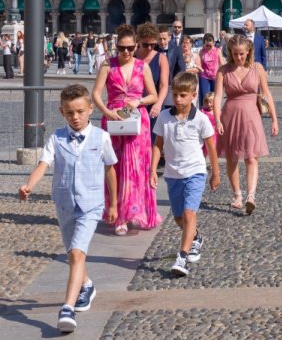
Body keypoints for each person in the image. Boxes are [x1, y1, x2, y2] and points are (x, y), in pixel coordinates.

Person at [19, 84, 118, 333]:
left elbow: (110, 169)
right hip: (64, 203)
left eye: (80, 112)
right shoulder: (56, 137)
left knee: (76, 253)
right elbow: (44, 164)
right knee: (73, 253)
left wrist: (114, 203)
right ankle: (87, 286)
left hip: (91, 204)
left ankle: (67, 308)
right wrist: (28, 184)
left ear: (90, 109)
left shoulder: (101, 137)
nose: (75, 117)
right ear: (62, 112)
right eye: (69, 112)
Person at [92, 23, 162, 235]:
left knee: (136, 167)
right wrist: (106, 111)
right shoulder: (107, 65)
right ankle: (119, 214)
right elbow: (95, 93)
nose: (126, 52)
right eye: (122, 48)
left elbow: (154, 95)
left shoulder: (142, 66)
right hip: (113, 118)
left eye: (130, 48)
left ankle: (136, 211)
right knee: (115, 167)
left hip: (136, 120)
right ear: (116, 46)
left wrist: (138, 101)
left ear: (136, 46)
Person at [150, 72, 220, 277]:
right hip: (173, 175)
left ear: (193, 95)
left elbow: (211, 147)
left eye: (183, 95)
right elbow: (158, 145)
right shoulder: (164, 117)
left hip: (195, 172)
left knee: (190, 214)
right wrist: (153, 169)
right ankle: (196, 238)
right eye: (175, 95)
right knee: (179, 219)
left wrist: (215, 173)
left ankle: (182, 257)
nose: (178, 99)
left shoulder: (200, 119)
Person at [214, 35, 278, 214]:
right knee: (231, 157)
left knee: (251, 156)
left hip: (252, 116)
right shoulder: (223, 71)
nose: (238, 57)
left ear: (248, 51)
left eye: (241, 54)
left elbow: (266, 94)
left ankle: (251, 195)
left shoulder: (257, 68)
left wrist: (274, 119)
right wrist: (217, 119)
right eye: (235, 54)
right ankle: (237, 195)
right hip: (230, 116)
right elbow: (218, 96)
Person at [136, 23, 170, 137]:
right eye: (145, 45)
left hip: (154, 106)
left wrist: (159, 104)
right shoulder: (132, 56)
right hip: (135, 105)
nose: (149, 48)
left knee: (154, 142)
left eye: (153, 44)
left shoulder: (161, 58)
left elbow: (164, 85)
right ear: (139, 41)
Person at [198, 33, 223, 106]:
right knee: (205, 96)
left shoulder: (217, 51)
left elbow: (221, 64)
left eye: (210, 46)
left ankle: (214, 113)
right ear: (204, 43)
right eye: (207, 45)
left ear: (214, 43)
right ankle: (205, 112)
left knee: (215, 96)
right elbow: (199, 63)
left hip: (215, 77)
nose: (208, 47)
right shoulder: (202, 51)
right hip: (204, 77)